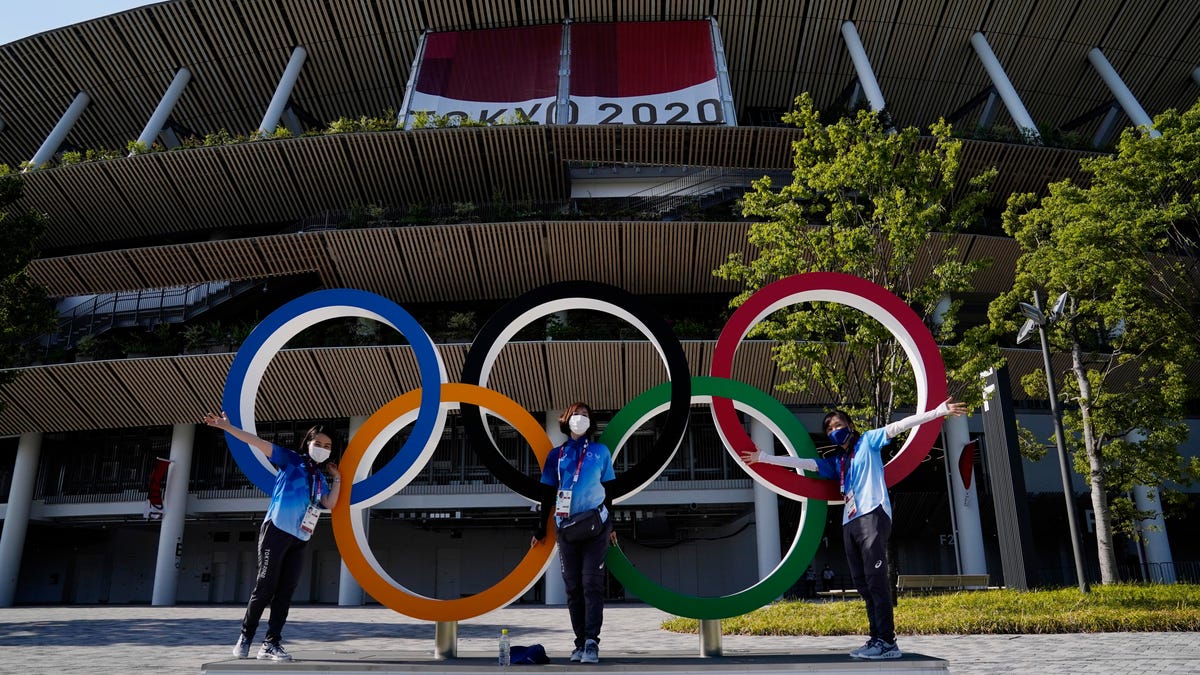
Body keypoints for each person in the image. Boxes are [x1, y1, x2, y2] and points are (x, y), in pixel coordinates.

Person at [741, 398, 968, 661]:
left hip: (873, 514)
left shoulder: (869, 442)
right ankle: (876, 638)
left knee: (876, 580)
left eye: (838, 425)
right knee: (862, 584)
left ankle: (887, 641)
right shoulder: (838, 462)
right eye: (829, 429)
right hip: (850, 521)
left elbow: (899, 426)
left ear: (850, 425)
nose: (834, 430)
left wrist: (938, 412)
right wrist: (764, 458)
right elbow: (806, 464)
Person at [203, 412, 341, 662]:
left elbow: (329, 503)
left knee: (286, 591)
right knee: (265, 587)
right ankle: (245, 636)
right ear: (308, 442)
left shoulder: (320, 478)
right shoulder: (290, 459)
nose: (322, 448)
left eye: (328, 446)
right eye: (318, 443)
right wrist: (228, 427)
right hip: (276, 530)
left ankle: (270, 644)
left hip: (301, 537)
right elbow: (256, 442)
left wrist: (338, 478)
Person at [530, 402, 618, 664]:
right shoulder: (556, 455)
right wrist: (539, 528)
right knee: (573, 587)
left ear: (590, 422)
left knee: (591, 583)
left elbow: (610, 491)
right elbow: (547, 494)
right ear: (566, 420)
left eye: (585, 415)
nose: (580, 418)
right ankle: (579, 642)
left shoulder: (601, 452)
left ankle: (592, 642)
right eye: (576, 415)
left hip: (596, 526)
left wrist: (611, 526)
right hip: (565, 528)